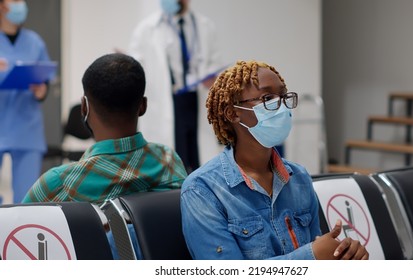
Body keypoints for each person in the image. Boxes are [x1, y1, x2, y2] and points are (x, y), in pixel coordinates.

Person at [180, 60, 369, 260]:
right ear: (233, 113)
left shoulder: (299, 178)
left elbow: (320, 252)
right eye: (267, 97)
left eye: (283, 95)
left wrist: (343, 255)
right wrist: (311, 256)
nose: (281, 106)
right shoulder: (202, 189)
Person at [22, 53, 187, 204]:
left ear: (84, 108)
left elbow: (16, 228)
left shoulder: (59, 183)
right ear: (142, 106)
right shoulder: (168, 161)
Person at [128, 0, 222, 173]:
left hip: (196, 99)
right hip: (166, 103)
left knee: (199, 159)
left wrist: (213, 77)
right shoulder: (146, 29)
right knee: (174, 162)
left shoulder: (205, 26)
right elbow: (136, 68)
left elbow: (213, 62)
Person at [0, 0, 52, 203]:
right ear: (2, 5)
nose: (20, 5)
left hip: (26, 127)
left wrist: (42, 90)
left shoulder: (35, 42)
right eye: (14, 0)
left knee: (27, 198)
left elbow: (44, 80)